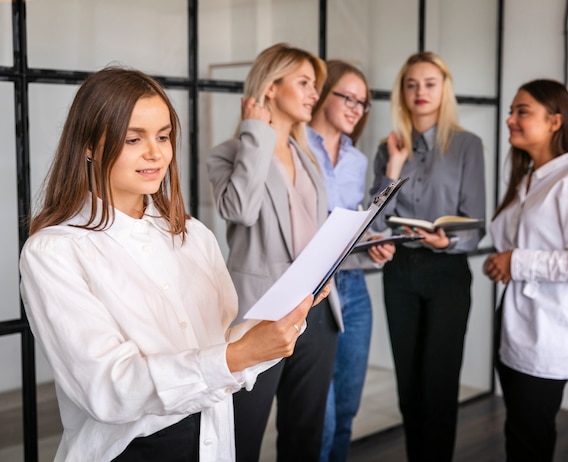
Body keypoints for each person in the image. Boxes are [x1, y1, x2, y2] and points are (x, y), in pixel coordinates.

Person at [18, 66, 325, 462]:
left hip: (213, 441)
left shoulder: (193, 234)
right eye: (134, 139)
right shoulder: (55, 252)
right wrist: (237, 356)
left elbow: (218, 345)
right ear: (89, 145)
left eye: (163, 136)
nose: (156, 153)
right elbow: (108, 388)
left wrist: (281, 320)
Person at [206, 43, 341, 462]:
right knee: (243, 434)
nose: (313, 94)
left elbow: (314, 235)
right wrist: (254, 132)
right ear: (270, 86)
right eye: (303, 83)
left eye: (315, 86)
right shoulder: (228, 154)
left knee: (305, 433)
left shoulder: (307, 156)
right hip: (260, 315)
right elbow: (239, 209)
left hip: (316, 310)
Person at [483, 79, 568, 462]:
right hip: (516, 322)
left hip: (548, 331)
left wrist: (516, 262)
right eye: (511, 111)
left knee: (530, 437)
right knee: (521, 432)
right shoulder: (531, 178)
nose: (510, 119)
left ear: (555, 121)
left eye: (522, 111)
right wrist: (504, 262)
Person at [368, 51, 486, 461]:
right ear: (402, 91)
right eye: (412, 84)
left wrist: (446, 242)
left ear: (443, 89)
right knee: (408, 385)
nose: (420, 92)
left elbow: (475, 223)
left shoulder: (468, 145)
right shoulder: (390, 147)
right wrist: (393, 165)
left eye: (430, 83)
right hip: (400, 272)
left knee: (438, 386)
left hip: (446, 272)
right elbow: (377, 218)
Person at [307, 60, 395, 462]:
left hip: (354, 287)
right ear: (324, 94)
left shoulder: (357, 161)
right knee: (317, 420)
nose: (356, 108)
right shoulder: (297, 146)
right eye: (348, 97)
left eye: (363, 103)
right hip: (312, 290)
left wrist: (372, 240)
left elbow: (355, 222)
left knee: (346, 410)